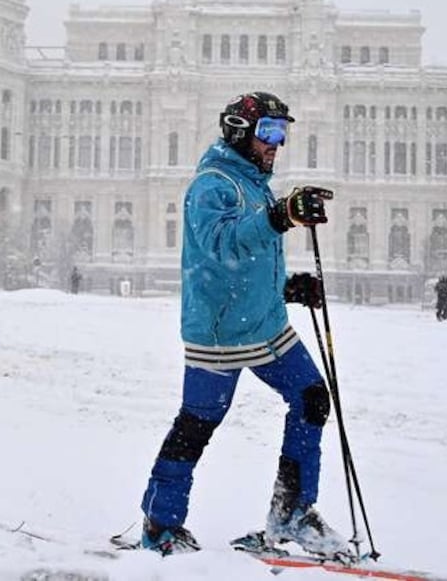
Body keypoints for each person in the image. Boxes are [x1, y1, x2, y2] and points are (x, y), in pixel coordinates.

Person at [138, 92, 347, 557]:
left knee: (312, 398)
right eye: (268, 132)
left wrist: (287, 287)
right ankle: (159, 525)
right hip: (220, 333)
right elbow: (222, 245)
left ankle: (292, 513)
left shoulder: (252, 182)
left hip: (264, 323)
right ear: (239, 131)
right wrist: (281, 216)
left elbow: (250, 255)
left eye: (282, 133)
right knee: (197, 423)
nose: (278, 143)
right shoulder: (211, 185)